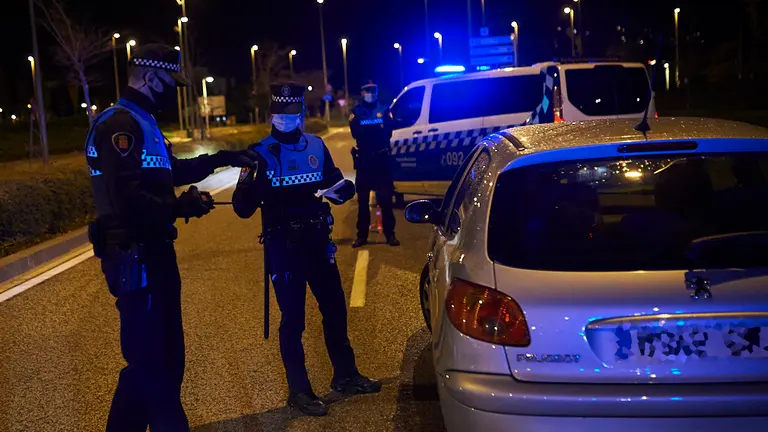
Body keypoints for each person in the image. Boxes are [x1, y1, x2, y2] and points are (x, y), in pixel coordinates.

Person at [85, 44, 259, 431]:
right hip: (134, 258)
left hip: (155, 255)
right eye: (171, 83)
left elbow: (171, 172)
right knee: (157, 370)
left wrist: (221, 158)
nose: (175, 91)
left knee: (157, 365)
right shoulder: (119, 125)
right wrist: (178, 208)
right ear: (151, 78)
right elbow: (126, 198)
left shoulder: (142, 121)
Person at [233, 82, 381, 417]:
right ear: (272, 114)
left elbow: (335, 182)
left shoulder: (316, 145)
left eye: (292, 112)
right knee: (294, 320)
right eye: (280, 113)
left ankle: (345, 376)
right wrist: (258, 183)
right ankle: (299, 390)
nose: (287, 118)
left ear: (300, 112)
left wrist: (342, 191)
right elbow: (242, 207)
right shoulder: (258, 153)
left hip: (317, 241)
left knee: (335, 310)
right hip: (284, 246)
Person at [349, 80, 399, 248]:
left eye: (372, 91)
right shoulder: (356, 112)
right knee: (362, 203)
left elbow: (389, 132)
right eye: (366, 91)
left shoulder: (385, 110)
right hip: (364, 162)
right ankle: (361, 236)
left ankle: (390, 235)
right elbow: (355, 133)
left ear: (376, 92)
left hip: (381, 160)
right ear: (362, 93)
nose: (370, 94)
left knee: (385, 201)